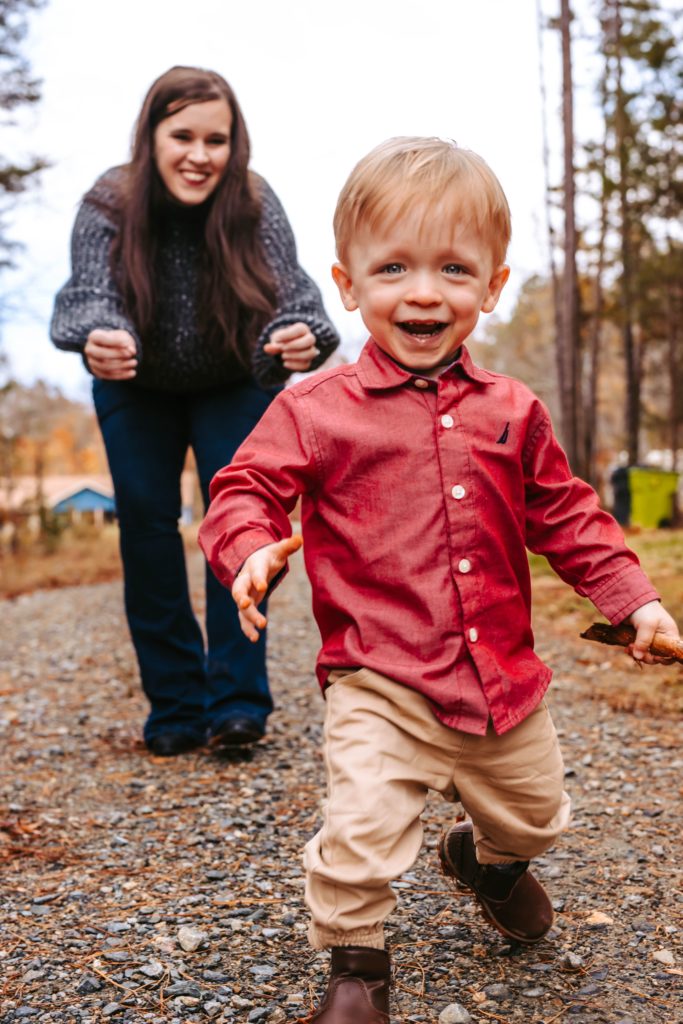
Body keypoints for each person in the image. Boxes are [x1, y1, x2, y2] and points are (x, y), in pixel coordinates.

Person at [198, 137, 680, 1023]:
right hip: (377, 678)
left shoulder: (514, 411)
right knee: (361, 833)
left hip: (500, 679)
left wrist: (635, 600)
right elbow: (245, 487)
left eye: (453, 268)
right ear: (347, 285)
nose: (423, 292)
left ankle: (486, 863)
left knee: (537, 815)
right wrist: (252, 546)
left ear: (491, 287)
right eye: (393, 268)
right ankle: (356, 974)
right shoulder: (313, 410)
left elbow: (568, 516)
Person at [50, 66, 339, 758]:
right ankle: (176, 705)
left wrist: (302, 333)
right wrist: (100, 334)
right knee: (148, 529)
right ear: (151, 135)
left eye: (216, 139)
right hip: (136, 382)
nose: (199, 155)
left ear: (233, 144)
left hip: (233, 379)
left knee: (239, 524)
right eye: (182, 135)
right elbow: (87, 294)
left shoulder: (253, 201)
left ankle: (237, 703)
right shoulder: (109, 202)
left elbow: (294, 296)